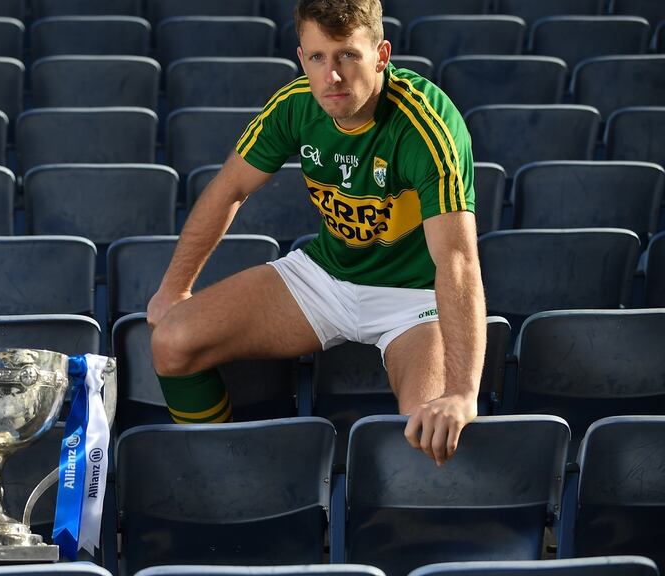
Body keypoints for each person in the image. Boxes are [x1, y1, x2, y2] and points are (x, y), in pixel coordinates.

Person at [146, 0, 485, 466]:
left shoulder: (427, 126)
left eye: (347, 55)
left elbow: (457, 261)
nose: (333, 76)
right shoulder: (296, 104)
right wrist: (174, 288)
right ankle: (224, 477)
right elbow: (229, 189)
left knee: (430, 435)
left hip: (414, 301)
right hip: (327, 277)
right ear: (301, 58)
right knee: (171, 341)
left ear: (381, 55)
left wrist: (463, 393)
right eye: (318, 57)